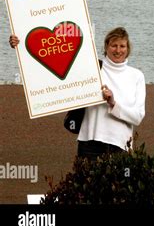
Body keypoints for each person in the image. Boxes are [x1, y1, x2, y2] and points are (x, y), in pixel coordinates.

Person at [10, 28, 146, 161]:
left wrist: (113, 104)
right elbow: (53, 60)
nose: (118, 50)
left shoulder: (136, 76)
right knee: (85, 183)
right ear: (106, 47)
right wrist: (21, 47)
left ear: (128, 49)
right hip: (89, 143)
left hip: (120, 144)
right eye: (113, 45)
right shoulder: (92, 67)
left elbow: (137, 117)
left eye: (122, 46)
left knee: (119, 184)